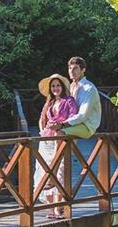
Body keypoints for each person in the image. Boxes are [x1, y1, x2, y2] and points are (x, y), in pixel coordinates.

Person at [34, 74, 78, 218]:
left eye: (58, 85)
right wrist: (42, 130)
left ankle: (59, 208)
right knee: (45, 169)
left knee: (60, 171)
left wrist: (61, 126)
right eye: (53, 86)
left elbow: (73, 117)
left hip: (60, 137)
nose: (55, 88)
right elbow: (42, 118)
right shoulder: (49, 103)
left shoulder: (69, 101)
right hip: (46, 138)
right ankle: (50, 208)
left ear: (63, 87)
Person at [48, 56, 102, 139]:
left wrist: (62, 124)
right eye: (70, 68)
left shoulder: (89, 89)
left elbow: (82, 115)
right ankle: (59, 152)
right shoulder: (71, 87)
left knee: (59, 133)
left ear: (83, 70)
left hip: (87, 126)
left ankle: (58, 152)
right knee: (52, 130)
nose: (72, 71)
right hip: (73, 123)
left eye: (75, 68)